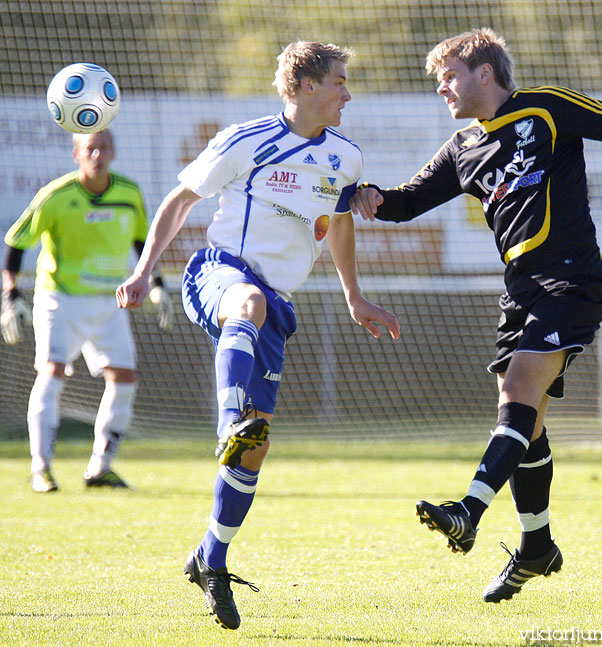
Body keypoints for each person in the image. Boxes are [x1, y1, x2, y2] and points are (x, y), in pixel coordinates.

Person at [349, 28, 602, 604]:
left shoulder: (543, 111)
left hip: (572, 277)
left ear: (484, 73)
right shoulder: (460, 148)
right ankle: (537, 545)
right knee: (525, 418)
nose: (442, 88)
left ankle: (468, 510)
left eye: (448, 76)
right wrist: (368, 195)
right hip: (519, 291)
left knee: (520, 389)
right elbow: (407, 201)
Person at [116, 41, 400, 630]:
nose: (348, 93)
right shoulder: (246, 140)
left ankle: (210, 558)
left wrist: (353, 296)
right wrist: (144, 271)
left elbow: (340, 221)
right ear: (304, 87)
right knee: (246, 311)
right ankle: (227, 423)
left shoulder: (345, 157)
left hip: (279, 303)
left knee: (256, 448)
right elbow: (180, 200)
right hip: (222, 270)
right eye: (339, 82)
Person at [2, 129, 172, 493]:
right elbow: (17, 242)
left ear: (113, 152)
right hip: (60, 299)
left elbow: (144, 241)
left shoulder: (128, 193)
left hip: (110, 303)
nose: (97, 155)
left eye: (104, 148)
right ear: (76, 154)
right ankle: (41, 468)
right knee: (53, 371)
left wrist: (157, 283)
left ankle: (100, 467)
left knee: (124, 377)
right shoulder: (56, 196)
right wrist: (10, 292)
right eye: (89, 149)